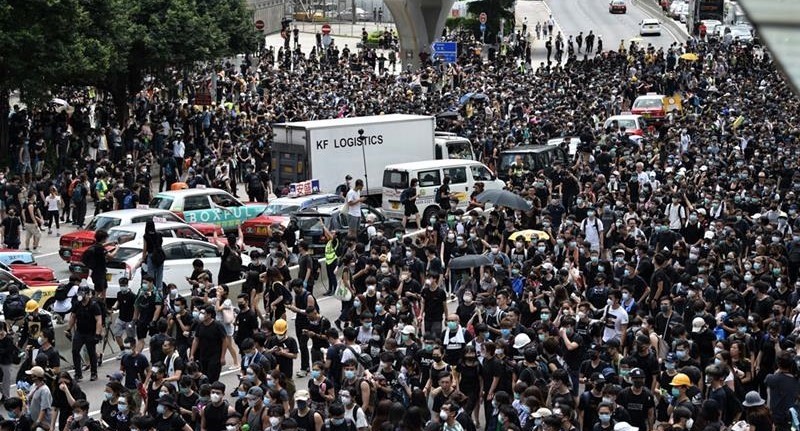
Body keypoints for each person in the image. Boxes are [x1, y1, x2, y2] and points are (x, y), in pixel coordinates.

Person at [66, 284, 102, 381]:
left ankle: (94, 373)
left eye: (82, 293)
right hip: (80, 332)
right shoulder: (77, 304)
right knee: (75, 351)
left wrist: (98, 334)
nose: (81, 296)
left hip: (90, 333)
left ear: (87, 294)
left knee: (91, 353)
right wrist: (68, 329)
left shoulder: (94, 305)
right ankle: (78, 374)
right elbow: (73, 317)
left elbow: (99, 320)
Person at [190, 305, 227, 382]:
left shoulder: (218, 325)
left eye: (204, 313)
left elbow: (224, 341)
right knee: (203, 377)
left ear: (209, 315)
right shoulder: (200, 325)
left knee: (212, 377)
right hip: (203, 356)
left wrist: (222, 357)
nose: (201, 315)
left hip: (215, 356)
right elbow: (196, 340)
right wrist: (192, 354)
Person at [84, 229, 119, 299]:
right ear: (103, 238)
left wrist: (109, 243)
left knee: (104, 289)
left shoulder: (95, 246)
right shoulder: (100, 249)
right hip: (99, 273)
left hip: (97, 272)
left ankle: (103, 306)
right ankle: (96, 305)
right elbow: (111, 256)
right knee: (98, 292)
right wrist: (117, 248)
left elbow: (101, 246)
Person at [25, 366, 53, 431]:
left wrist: (37, 422)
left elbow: (44, 408)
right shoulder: (34, 386)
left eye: (31, 375)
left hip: (43, 422)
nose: (29, 377)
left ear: (35, 377)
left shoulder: (44, 390)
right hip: (33, 418)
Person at [141, 220, 165, 293]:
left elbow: (145, 249)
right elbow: (160, 244)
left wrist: (143, 259)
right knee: (159, 273)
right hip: (160, 256)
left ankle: (151, 290)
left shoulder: (146, 236)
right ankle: (159, 290)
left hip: (151, 255)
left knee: (150, 274)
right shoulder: (159, 234)